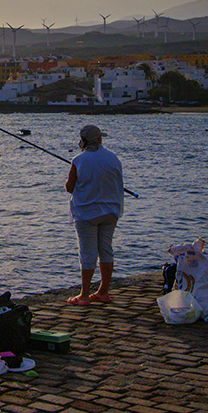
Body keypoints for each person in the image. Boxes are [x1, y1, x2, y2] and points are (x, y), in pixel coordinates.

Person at [64, 125, 124, 306]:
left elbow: (69, 187)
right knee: (106, 250)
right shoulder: (113, 158)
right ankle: (103, 292)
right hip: (111, 211)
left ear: (82, 142)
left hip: (86, 213)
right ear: (99, 139)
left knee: (88, 252)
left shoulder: (78, 160)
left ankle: (84, 295)